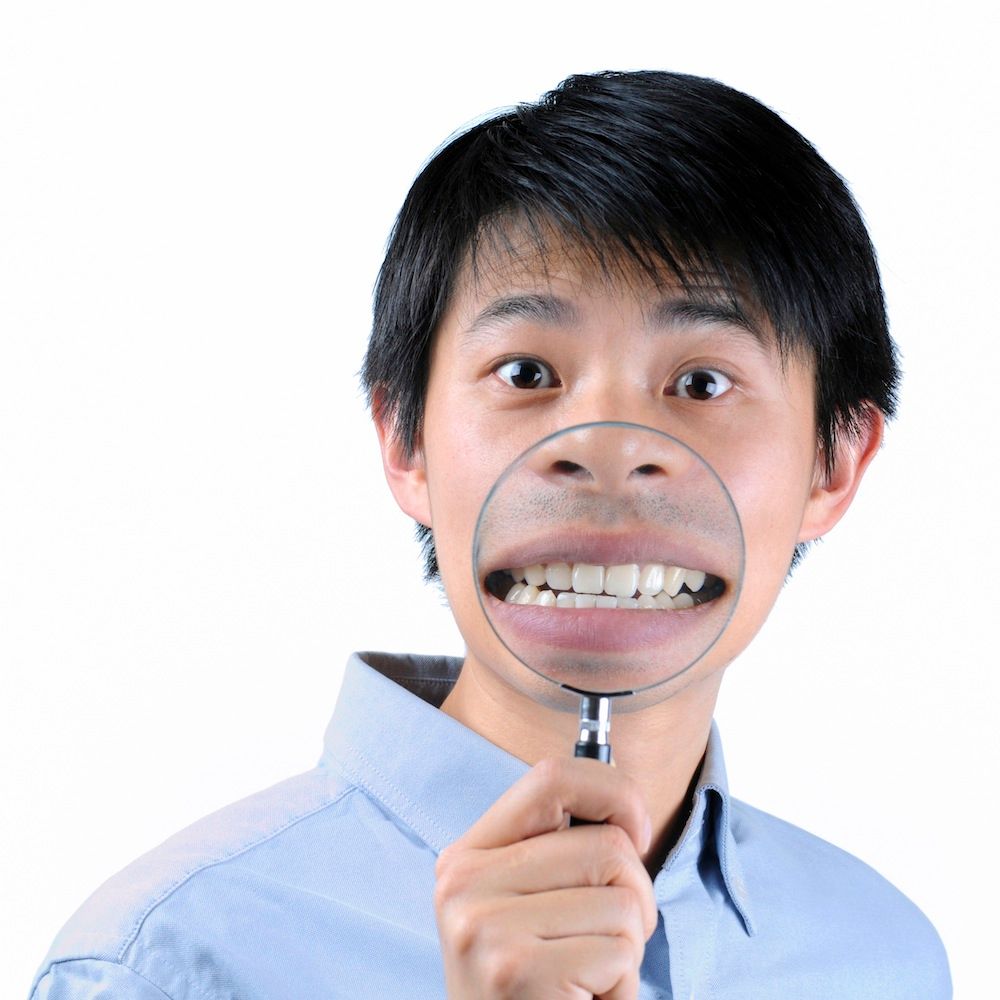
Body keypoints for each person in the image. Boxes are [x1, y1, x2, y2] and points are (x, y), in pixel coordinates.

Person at [30, 70, 951, 999]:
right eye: (525, 373)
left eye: (702, 383)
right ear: (406, 442)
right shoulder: (164, 965)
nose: (605, 451)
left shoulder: (884, 959)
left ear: (835, 464)